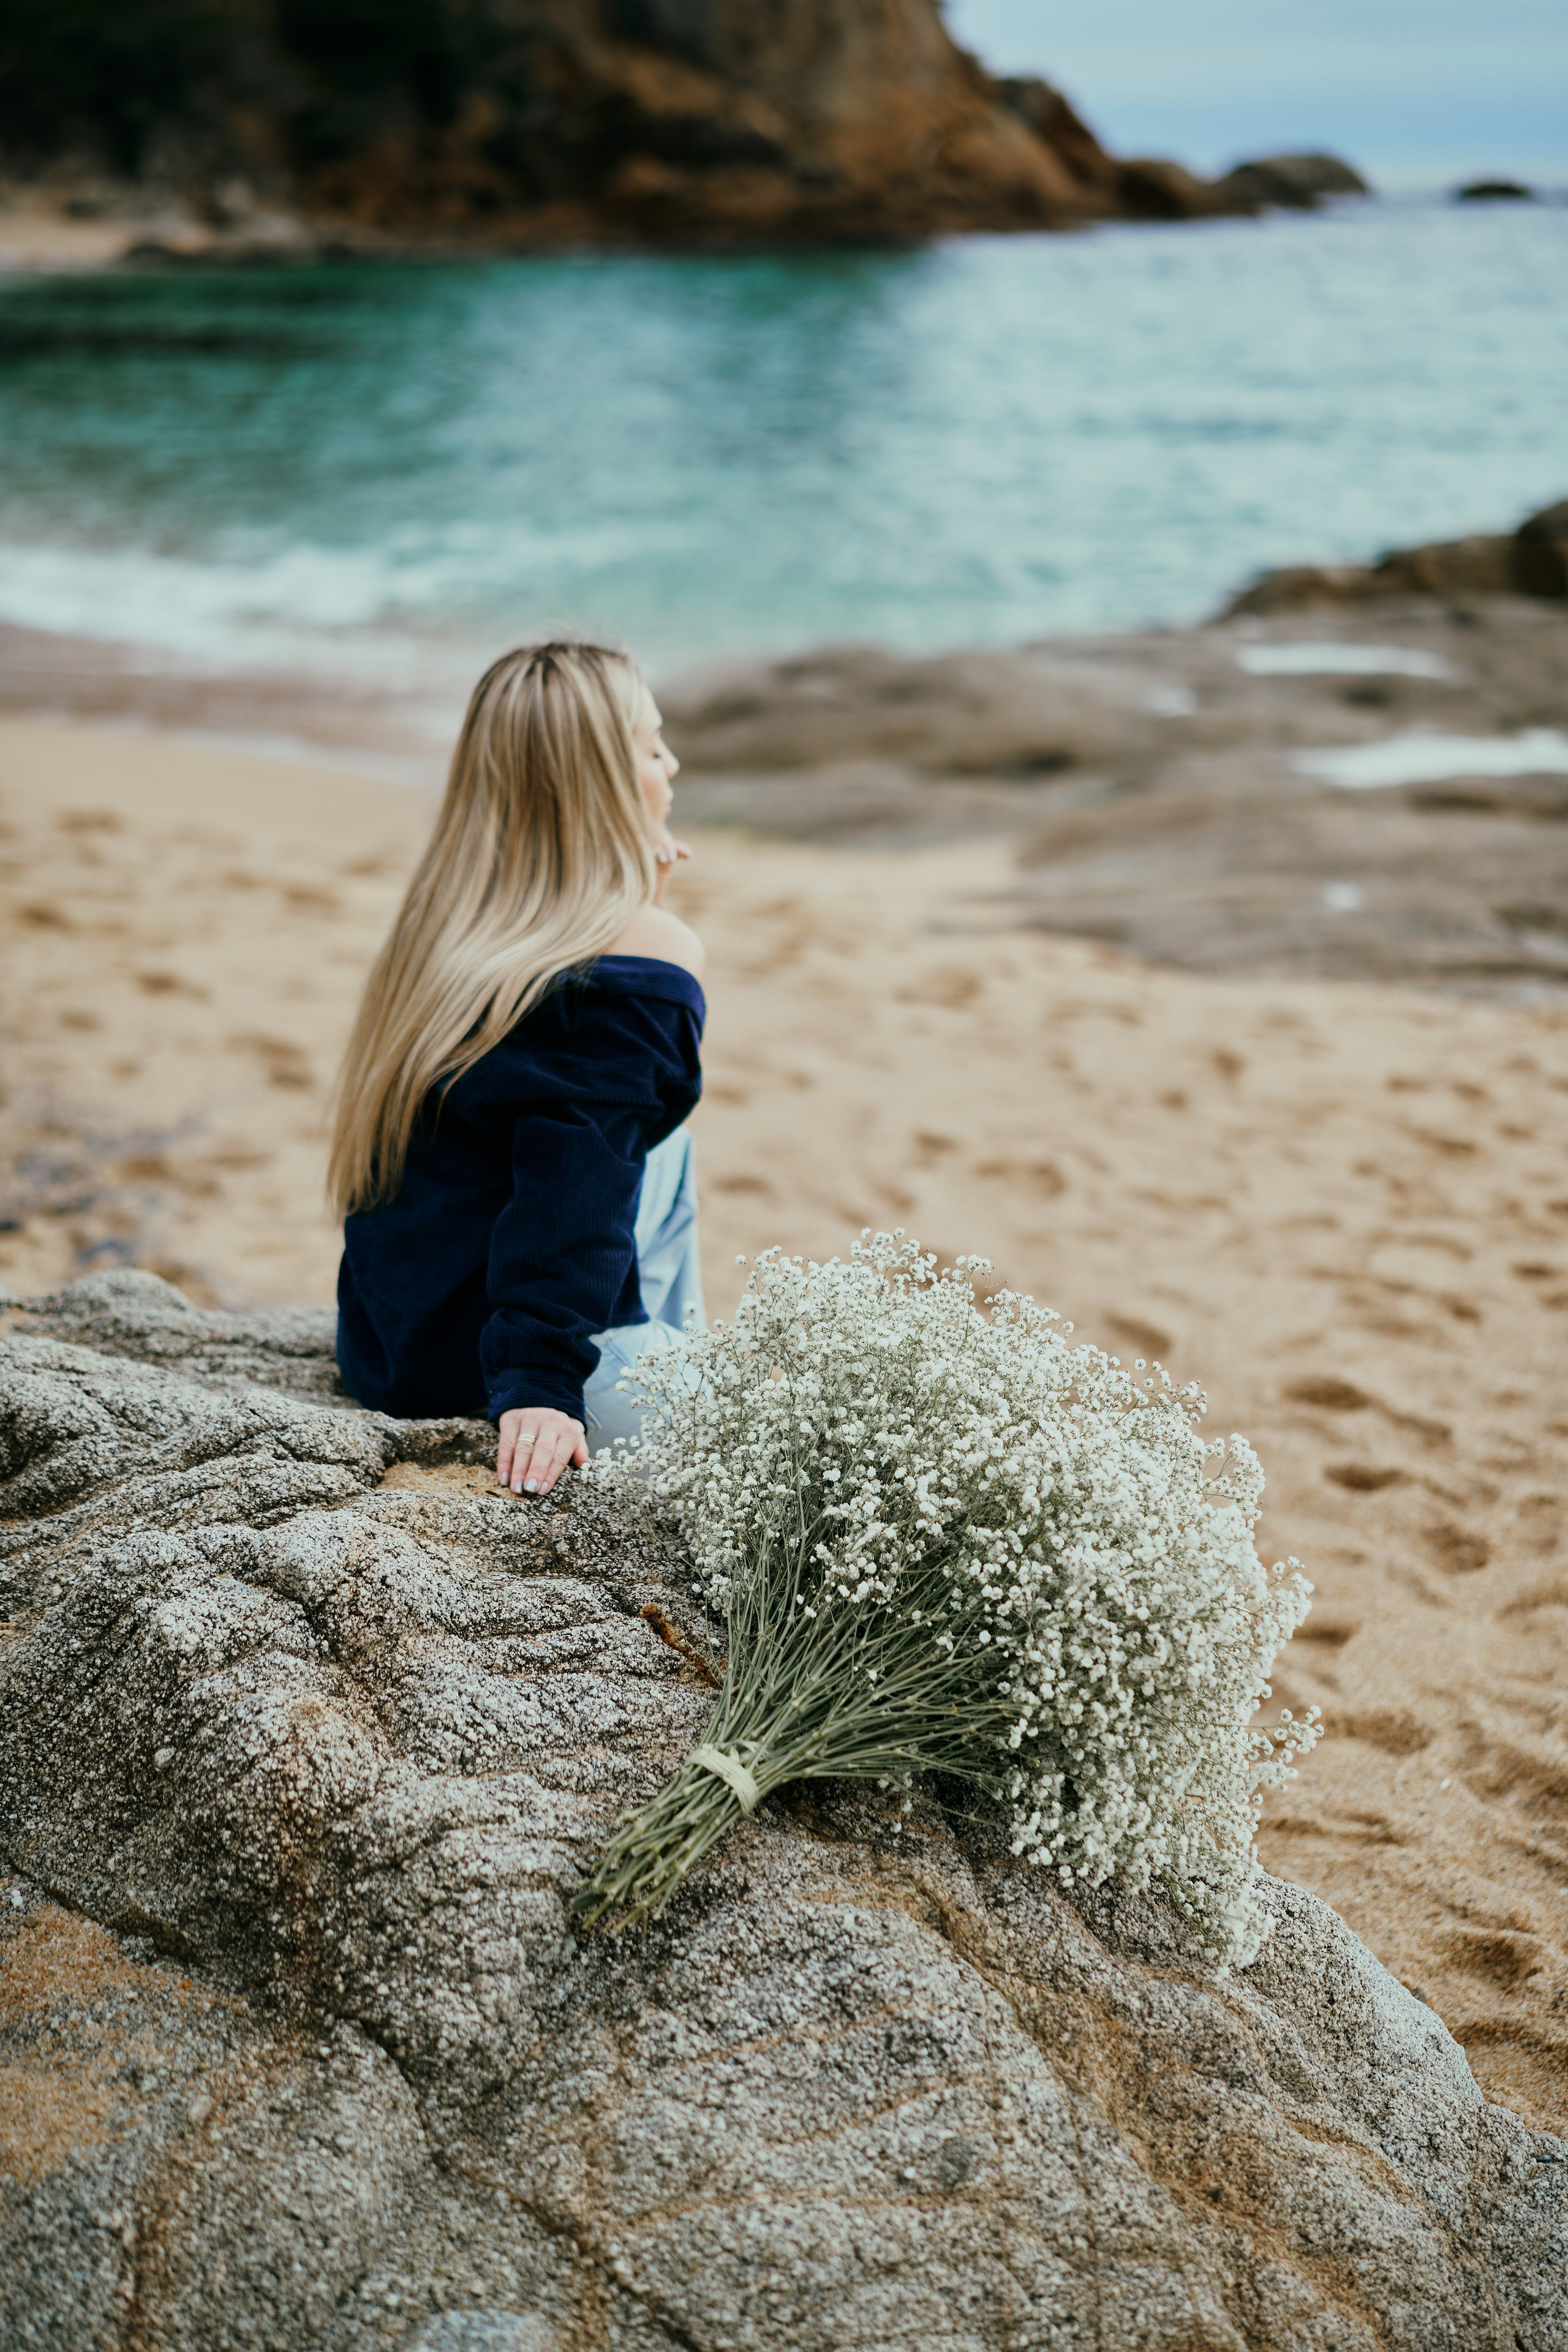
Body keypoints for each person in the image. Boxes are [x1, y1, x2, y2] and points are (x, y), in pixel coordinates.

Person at [328, 640, 706, 1500]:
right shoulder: (639, 956)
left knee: (650, 1128)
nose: (672, 763)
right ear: (597, 781)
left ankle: (673, 1346)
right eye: (650, 746)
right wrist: (540, 1382)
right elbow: (576, 1177)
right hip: (503, 1372)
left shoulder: (449, 935)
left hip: (393, 1346)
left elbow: (576, 1118)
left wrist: (636, 914)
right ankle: (667, 1354)